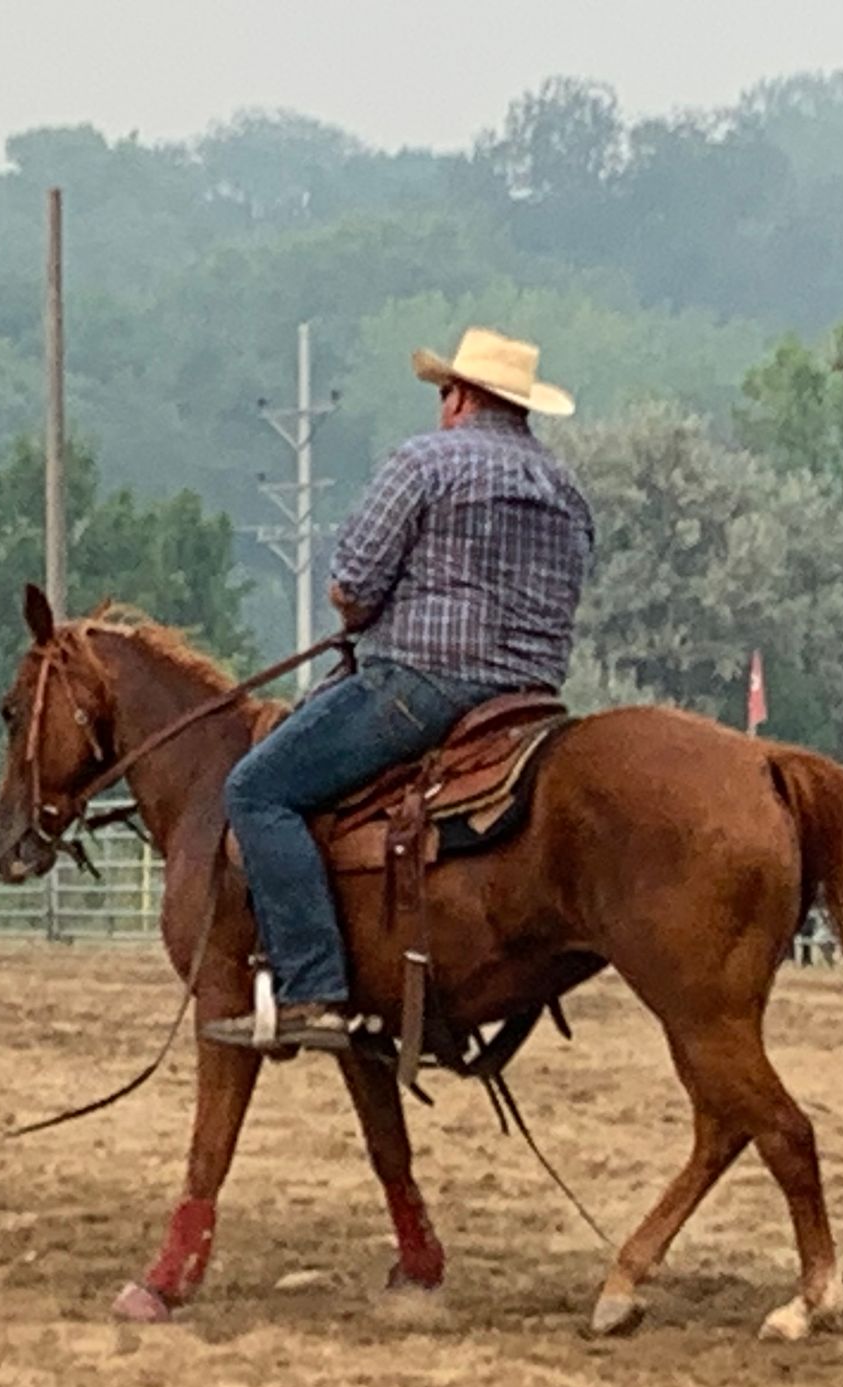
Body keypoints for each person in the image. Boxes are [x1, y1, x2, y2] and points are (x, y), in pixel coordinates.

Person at [204, 328, 594, 1052]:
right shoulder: (565, 487)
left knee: (259, 790)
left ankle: (313, 987)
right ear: (521, 408)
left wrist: (369, 613)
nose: (441, 404)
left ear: (463, 396)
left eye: (444, 391)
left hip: (424, 687)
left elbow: (351, 588)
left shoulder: (425, 462)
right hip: (529, 704)